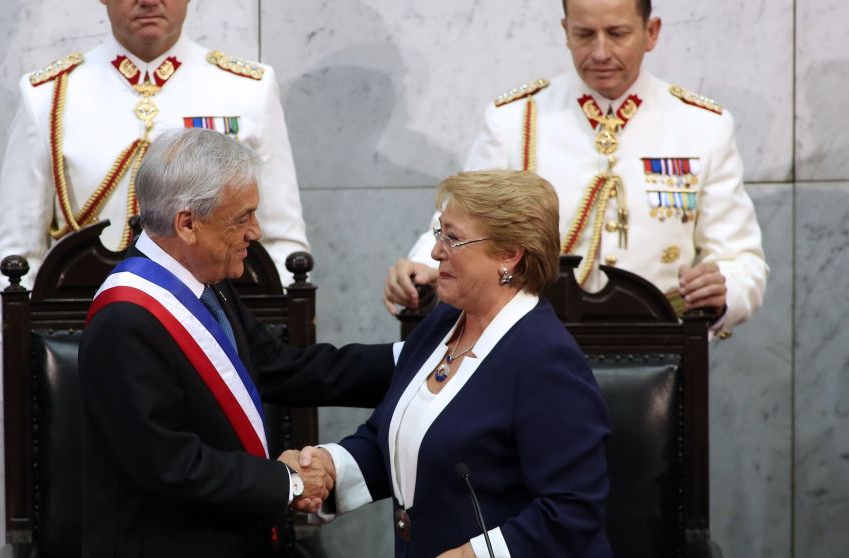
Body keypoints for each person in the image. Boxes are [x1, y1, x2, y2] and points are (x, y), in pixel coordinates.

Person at [79, 128, 392, 557]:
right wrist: (288, 481)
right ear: (187, 223)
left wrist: (411, 360)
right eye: (241, 217)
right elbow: (169, 464)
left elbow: (281, 367)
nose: (256, 232)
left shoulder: (209, 284)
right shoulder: (125, 318)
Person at [384, 0, 767, 339]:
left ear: (651, 33)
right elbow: (458, 223)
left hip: (659, 347)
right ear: (566, 32)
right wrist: (422, 269)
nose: (600, 52)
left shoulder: (703, 126)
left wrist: (723, 290)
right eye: (585, 34)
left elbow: (742, 260)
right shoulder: (516, 119)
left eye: (617, 34)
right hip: (526, 342)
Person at [293, 170, 612, 557]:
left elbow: (573, 509)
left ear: (510, 254)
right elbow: (392, 439)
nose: (435, 251)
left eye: (454, 238)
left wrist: (474, 555)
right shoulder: (444, 322)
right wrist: (328, 468)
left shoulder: (546, 359)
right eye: (438, 233)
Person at [0, 0, 308, 299]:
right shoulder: (48, 96)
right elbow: (18, 259)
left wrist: (270, 347)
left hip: (216, 327)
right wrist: (20, 355)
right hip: (90, 331)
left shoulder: (247, 90)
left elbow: (283, 244)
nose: (148, 1)